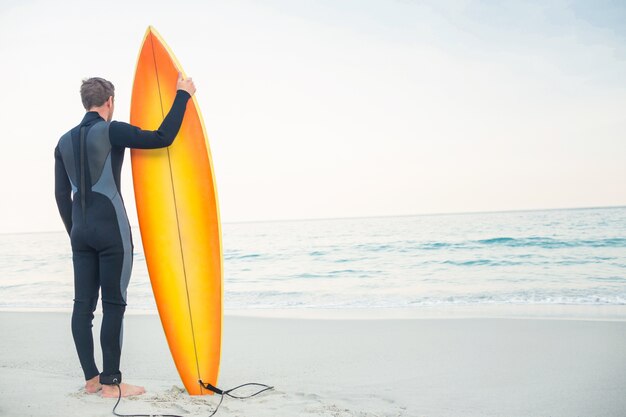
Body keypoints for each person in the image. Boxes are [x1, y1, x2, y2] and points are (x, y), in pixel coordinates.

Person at [54, 74, 196, 398]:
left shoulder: (62, 142)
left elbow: (61, 195)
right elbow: (163, 137)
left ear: (85, 101)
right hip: (111, 232)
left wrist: (76, 231)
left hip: (80, 231)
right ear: (110, 102)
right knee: (114, 304)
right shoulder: (112, 129)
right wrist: (182, 95)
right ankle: (111, 383)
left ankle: (91, 379)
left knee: (82, 307)